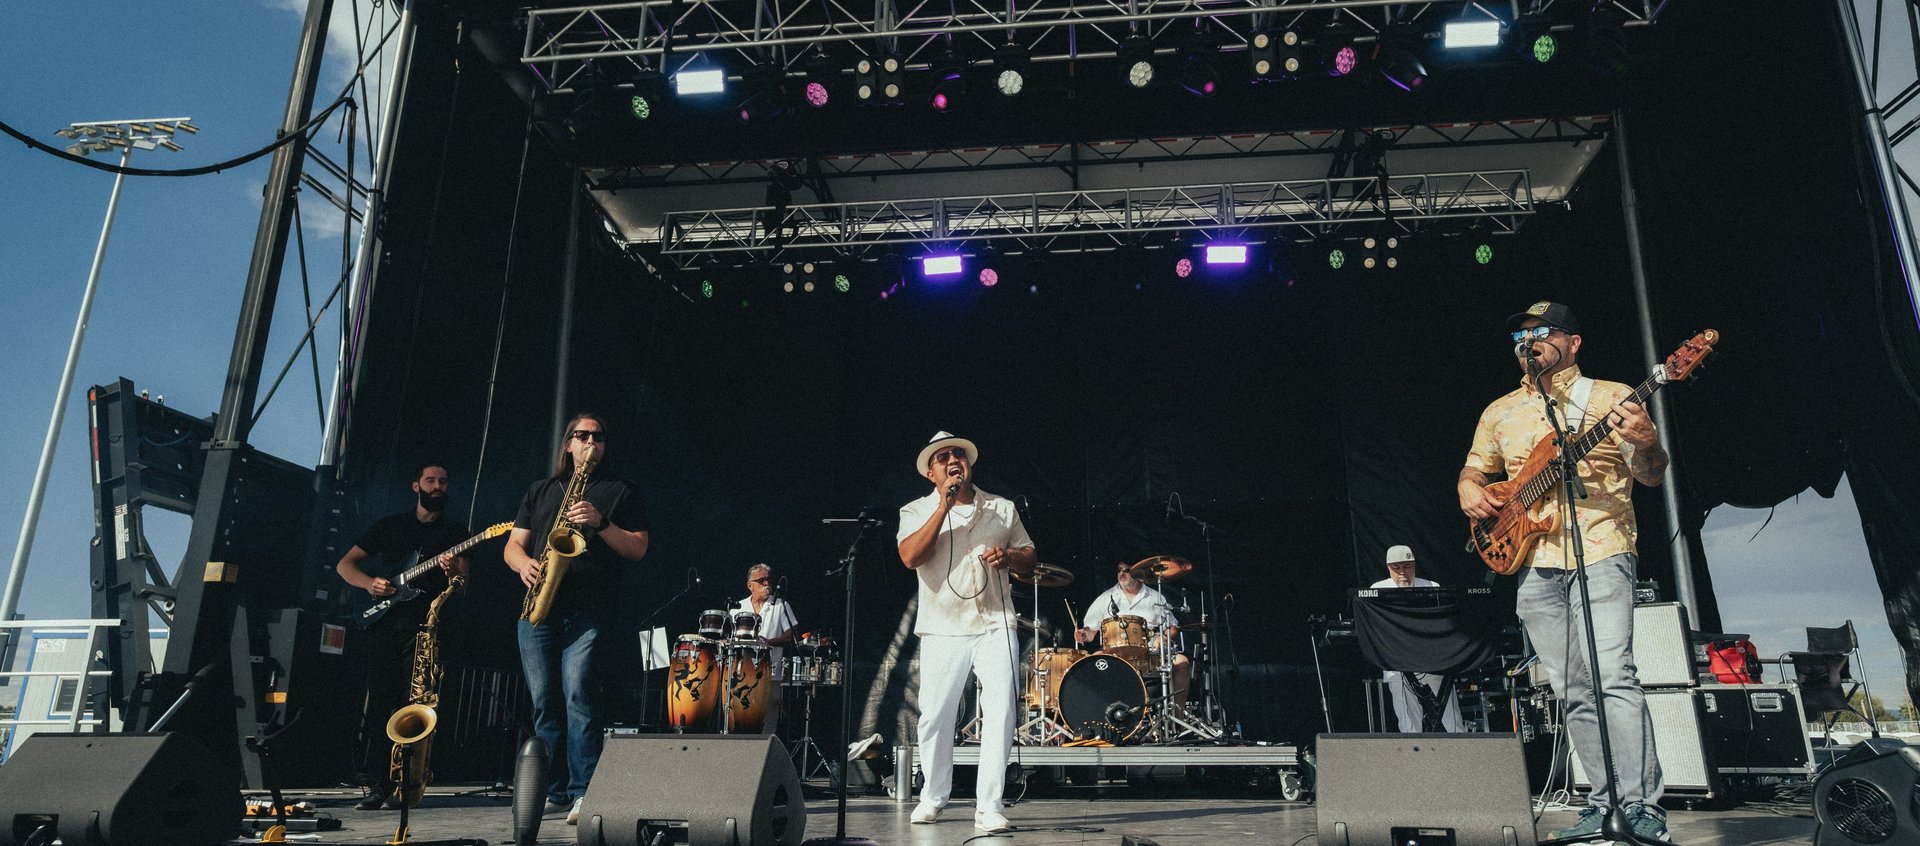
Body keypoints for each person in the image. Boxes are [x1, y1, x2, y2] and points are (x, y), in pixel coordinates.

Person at [1458, 301, 1669, 843]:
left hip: (1601, 547)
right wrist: (1468, 488)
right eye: (1521, 337)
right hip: (1534, 560)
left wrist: (1647, 444)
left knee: (1612, 676)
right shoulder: (1499, 410)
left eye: (1543, 332)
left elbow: (1649, 477)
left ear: (1573, 342)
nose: (1530, 342)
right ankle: (1602, 805)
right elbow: (1476, 468)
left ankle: (1642, 807)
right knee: (1572, 687)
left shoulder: (1610, 397)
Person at [503, 414, 651, 825]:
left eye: (598, 437)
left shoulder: (621, 491)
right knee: (544, 703)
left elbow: (638, 548)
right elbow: (514, 545)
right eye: (582, 436)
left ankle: (585, 791)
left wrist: (601, 522)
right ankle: (551, 790)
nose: (591, 442)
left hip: (590, 609)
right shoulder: (541, 490)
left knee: (578, 694)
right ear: (568, 444)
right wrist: (523, 566)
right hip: (539, 608)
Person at [897, 432, 1036, 834]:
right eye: (942, 458)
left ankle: (989, 805)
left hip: (996, 621)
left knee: (1001, 711)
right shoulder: (916, 509)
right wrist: (942, 504)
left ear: (969, 463)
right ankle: (934, 796)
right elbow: (910, 557)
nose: (952, 460)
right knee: (936, 715)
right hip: (943, 626)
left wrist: (1009, 556)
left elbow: (1030, 556)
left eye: (958, 454)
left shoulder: (1001, 508)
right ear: (930, 472)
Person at [334, 464, 471, 811]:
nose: (438, 486)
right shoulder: (390, 526)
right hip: (384, 626)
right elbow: (344, 565)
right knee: (381, 703)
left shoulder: (456, 532)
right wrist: (369, 584)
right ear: (416, 486)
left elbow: (463, 582)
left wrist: (454, 570)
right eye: (431, 481)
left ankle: (407, 785)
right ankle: (378, 785)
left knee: (417, 706)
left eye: (443, 481)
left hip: (426, 629)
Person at [1367, 545, 1465, 733]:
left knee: (1452, 720)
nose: (1402, 572)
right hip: (1398, 664)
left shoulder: (1431, 587)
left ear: (1414, 565)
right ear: (1388, 567)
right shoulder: (1378, 589)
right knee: (1409, 724)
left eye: (1407, 566)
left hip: (1434, 662)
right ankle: (1415, 759)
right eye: (1397, 567)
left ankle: (1459, 755)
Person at [1076, 560, 1193, 711]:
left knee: (1182, 662)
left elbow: (1172, 626)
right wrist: (1083, 634)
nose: (1121, 574)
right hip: (1114, 653)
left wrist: (1162, 637)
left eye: (1126, 570)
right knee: (1094, 661)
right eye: (1119, 570)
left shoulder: (1155, 597)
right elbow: (1090, 631)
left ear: (1138, 573)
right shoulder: (1105, 598)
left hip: (1149, 652)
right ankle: (1102, 715)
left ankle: (1178, 717)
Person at [728, 563, 799, 734]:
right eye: (762, 580)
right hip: (741, 674)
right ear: (750, 585)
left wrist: (769, 642)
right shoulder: (738, 607)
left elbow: (792, 635)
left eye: (769, 579)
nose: (767, 583)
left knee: (767, 724)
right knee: (740, 719)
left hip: (770, 674)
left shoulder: (780, 605)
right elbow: (729, 639)